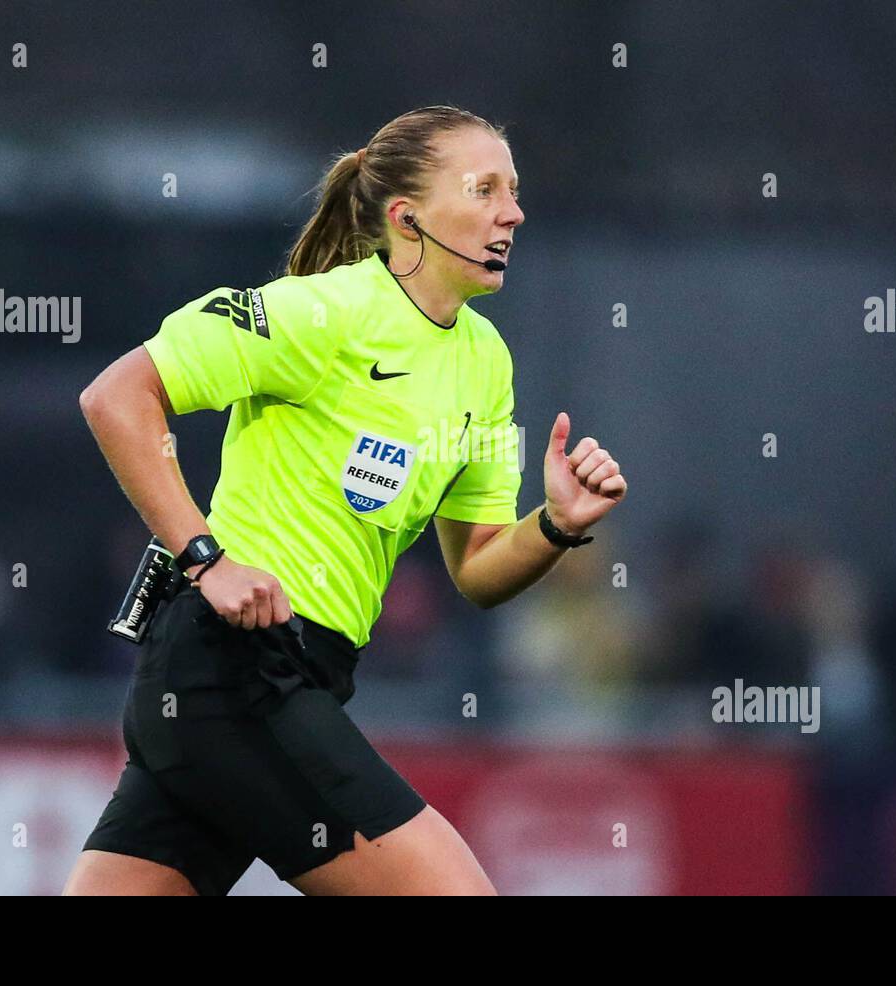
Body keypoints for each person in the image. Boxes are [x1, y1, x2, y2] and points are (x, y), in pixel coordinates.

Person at [63, 105, 628, 896]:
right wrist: (207, 559)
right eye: (485, 188)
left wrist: (556, 524)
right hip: (231, 672)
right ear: (408, 218)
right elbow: (116, 397)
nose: (513, 211)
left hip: (288, 679)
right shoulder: (320, 311)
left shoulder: (486, 363)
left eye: (515, 189)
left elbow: (478, 567)